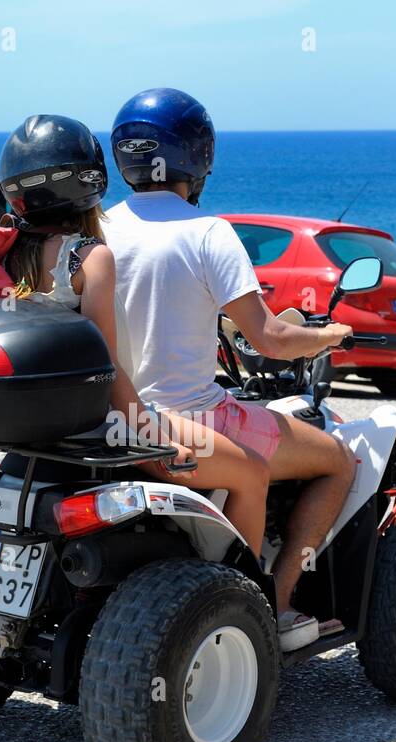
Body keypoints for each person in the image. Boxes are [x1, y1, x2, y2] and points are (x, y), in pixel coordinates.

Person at [103, 88, 356, 651]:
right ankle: (274, 606)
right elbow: (267, 336)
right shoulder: (208, 232)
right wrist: (326, 336)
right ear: (197, 156)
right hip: (195, 419)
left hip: (115, 420)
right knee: (338, 461)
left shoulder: (97, 230)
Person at [0, 115, 273, 550]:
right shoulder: (89, 257)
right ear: (91, 180)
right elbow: (107, 369)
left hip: (36, 428)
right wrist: (159, 441)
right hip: (114, 425)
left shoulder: (3, 254)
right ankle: (242, 605)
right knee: (253, 472)